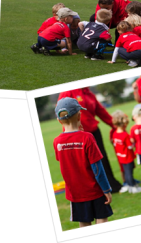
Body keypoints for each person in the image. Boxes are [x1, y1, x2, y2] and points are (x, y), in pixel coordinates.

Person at [53, 97, 113, 227]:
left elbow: (62, 160)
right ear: (79, 115)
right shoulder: (88, 137)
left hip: (75, 194)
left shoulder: (57, 141)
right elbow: (97, 168)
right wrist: (106, 189)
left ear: (59, 120)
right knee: (102, 219)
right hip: (95, 191)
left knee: (84, 224)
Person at [57, 88, 122, 193]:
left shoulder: (89, 93)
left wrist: (115, 126)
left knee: (102, 159)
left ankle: (111, 186)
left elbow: (100, 111)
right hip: (76, 134)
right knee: (81, 163)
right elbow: (61, 112)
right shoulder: (68, 92)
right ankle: (86, 189)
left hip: (94, 132)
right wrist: (68, 134)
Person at [110, 110, 141, 194]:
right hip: (128, 157)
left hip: (121, 157)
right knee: (129, 173)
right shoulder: (125, 135)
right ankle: (133, 187)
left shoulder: (114, 133)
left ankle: (130, 185)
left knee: (126, 172)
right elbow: (129, 146)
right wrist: (134, 142)